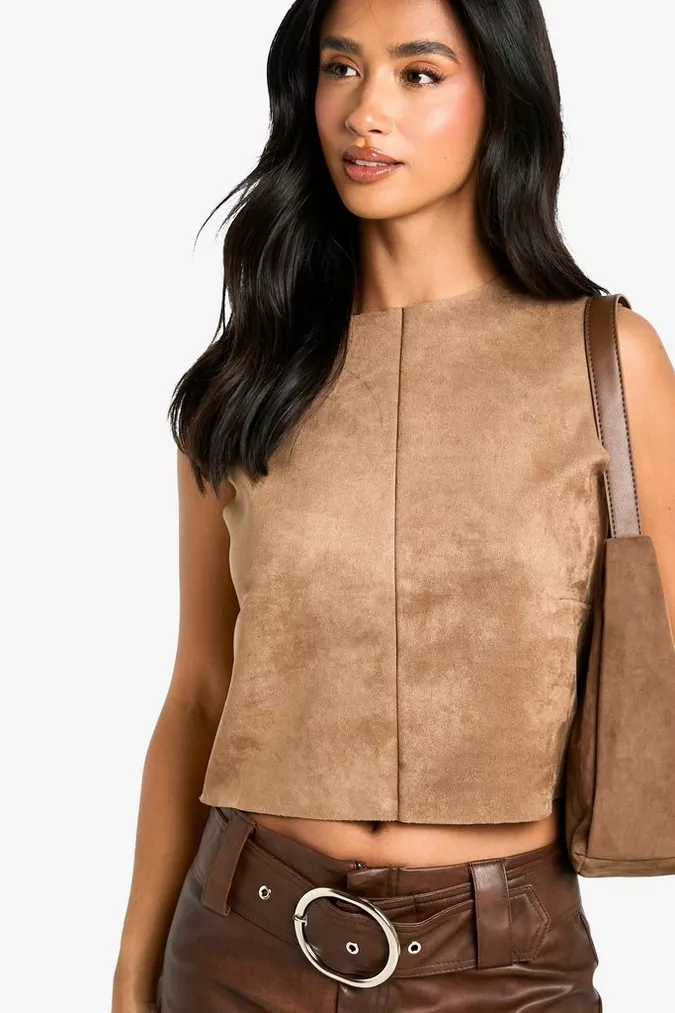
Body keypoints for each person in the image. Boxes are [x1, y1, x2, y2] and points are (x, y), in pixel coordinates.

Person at [112, 1, 675, 1011]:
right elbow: (199, 690)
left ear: (503, 95)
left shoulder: (609, 364)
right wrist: (129, 979)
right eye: (340, 68)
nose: (365, 110)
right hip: (239, 948)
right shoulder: (245, 379)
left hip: (507, 968)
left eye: (419, 74)